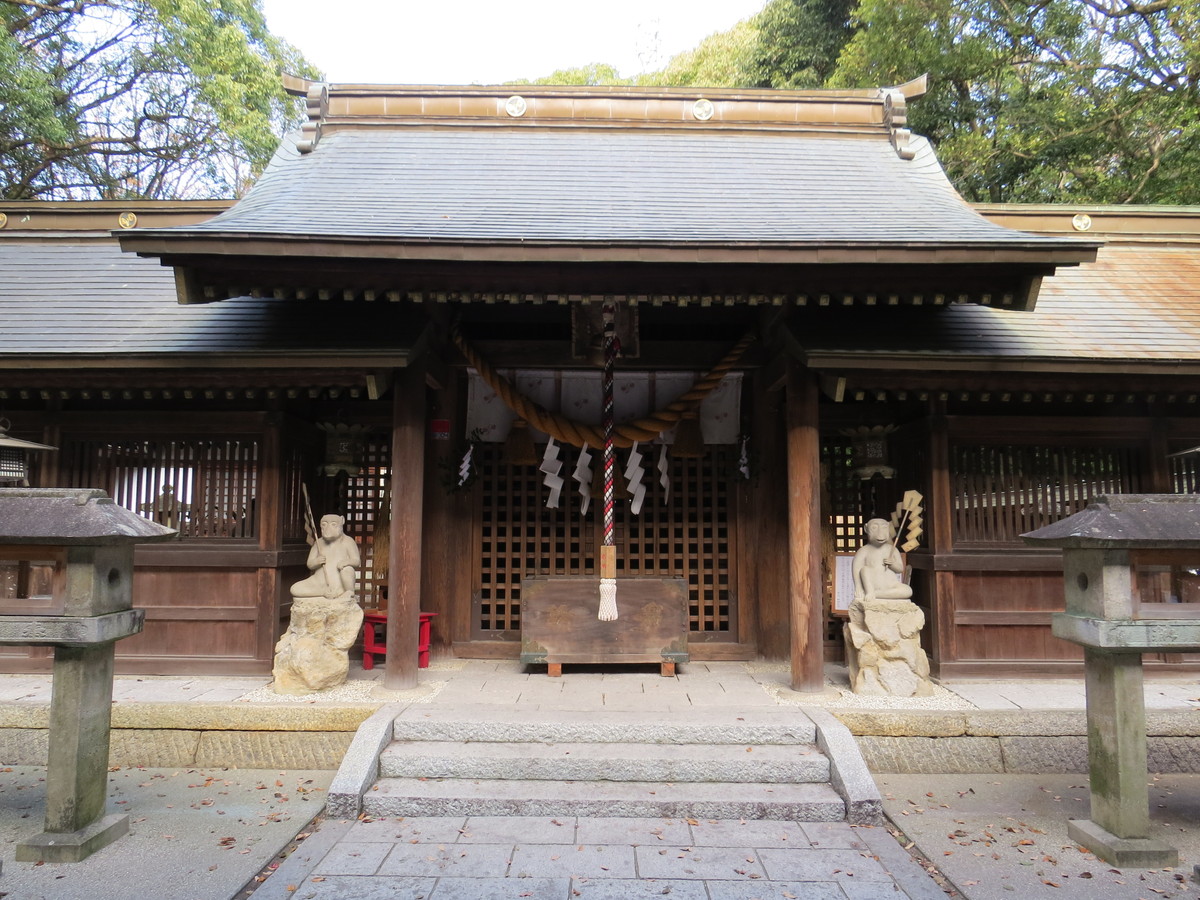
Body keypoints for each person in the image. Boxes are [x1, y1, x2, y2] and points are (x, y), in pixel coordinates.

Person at [290, 514, 361, 599]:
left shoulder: (348, 541)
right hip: (319, 581)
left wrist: (345, 562)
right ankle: (323, 592)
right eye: (324, 524)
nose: (328, 528)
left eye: (333, 524)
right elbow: (310, 564)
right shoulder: (318, 543)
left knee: (347, 569)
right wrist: (317, 561)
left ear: (342, 523)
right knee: (294, 589)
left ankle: (348, 591)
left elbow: (356, 561)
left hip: (339, 581)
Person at [851, 517, 912, 602]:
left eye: (884, 527)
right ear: (866, 529)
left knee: (908, 591)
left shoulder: (892, 549)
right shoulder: (864, 550)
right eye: (874, 528)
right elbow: (856, 569)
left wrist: (892, 564)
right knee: (865, 570)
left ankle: (875, 594)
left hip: (890, 584)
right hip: (873, 584)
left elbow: (900, 569)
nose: (880, 532)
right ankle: (870, 591)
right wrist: (858, 587)